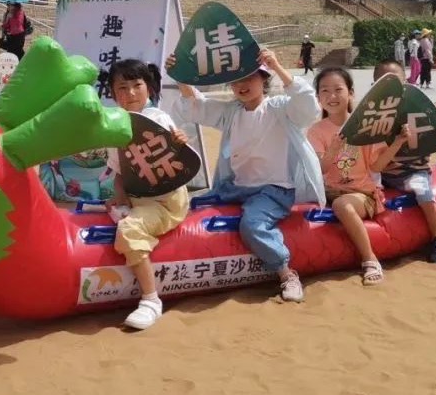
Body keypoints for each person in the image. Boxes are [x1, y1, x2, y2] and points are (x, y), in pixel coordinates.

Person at [168, 48, 324, 302]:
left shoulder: (280, 108)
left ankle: (286, 273)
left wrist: (278, 67)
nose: (242, 85)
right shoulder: (232, 112)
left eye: (249, 78)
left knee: (252, 225)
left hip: (273, 190)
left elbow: (308, 107)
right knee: (195, 204)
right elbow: (198, 107)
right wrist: (180, 76)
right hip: (236, 187)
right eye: (236, 80)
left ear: (264, 79)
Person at [103, 59, 190, 330]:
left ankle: (151, 301)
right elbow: (120, 173)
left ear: (149, 88)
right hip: (138, 199)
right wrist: (121, 197)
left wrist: (180, 143)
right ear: (113, 93)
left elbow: (179, 162)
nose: (130, 93)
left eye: (136, 85)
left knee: (129, 229)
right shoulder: (115, 128)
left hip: (166, 202)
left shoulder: (159, 119)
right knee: (113, 209)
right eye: (122, 87)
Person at [307, 67, 409, 285]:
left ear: (351, 93)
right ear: (318, 97)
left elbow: (376, 166)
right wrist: (334, 149)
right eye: (325, 91)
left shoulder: (366, 126)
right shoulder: (315, 131)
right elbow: (321, 169)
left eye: (338, 89)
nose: (332, 96)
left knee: (343, 205)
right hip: (330, 192)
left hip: (361, 193)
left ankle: (370, 259)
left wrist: (397, 143)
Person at [372, 59, 436, 263]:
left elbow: (434, 139)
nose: (390, 87)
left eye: (395, 81)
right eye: (383, 82)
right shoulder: (374, 115)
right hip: (383, 173)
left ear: (405, 82)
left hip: (414, 171)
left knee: (423, 192)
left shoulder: (418, 109)